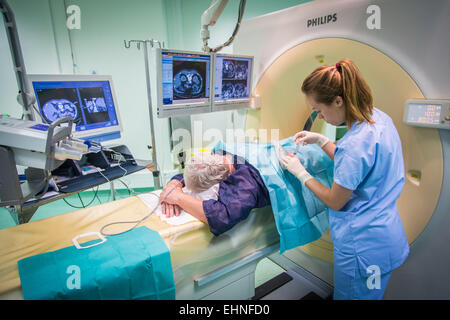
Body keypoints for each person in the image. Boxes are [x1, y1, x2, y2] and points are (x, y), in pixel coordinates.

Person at [279, 59, 409, 300]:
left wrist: (301, 173)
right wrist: (323, 141)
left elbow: (335, 200)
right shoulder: (379, 120)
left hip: (362, 248)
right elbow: (361, 165)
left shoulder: (353, 145)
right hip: (384, 235)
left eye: (319, 109)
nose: (319, 115)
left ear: (338, 101)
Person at [160, 151, 270, 236]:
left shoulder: (247, 184)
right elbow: (198, 171)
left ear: (220, 182)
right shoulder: (219, 155)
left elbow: (223, 217)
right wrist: (173, 185)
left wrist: (179, 198)